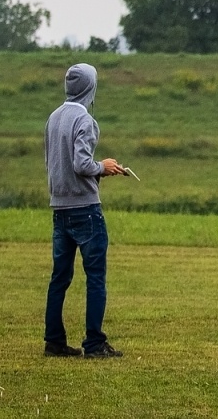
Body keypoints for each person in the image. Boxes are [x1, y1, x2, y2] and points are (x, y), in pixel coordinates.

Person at [43, 62, 128, 358]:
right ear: (90, 88)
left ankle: (53, 341)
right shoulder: (86, 121)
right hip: (85, 208)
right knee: (95, 276)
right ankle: (94, 343)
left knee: (60, 277)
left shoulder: (53, 118)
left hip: (59, 207)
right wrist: (102, 168)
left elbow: (52, 163)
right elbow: (82, 164)